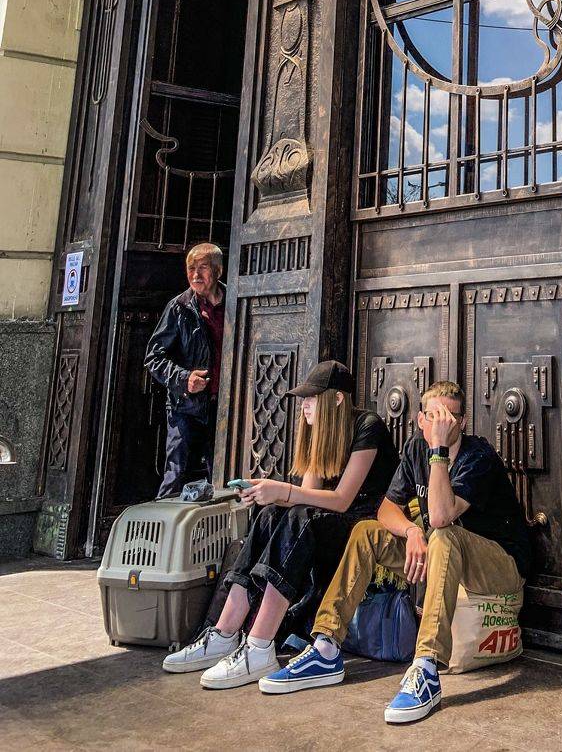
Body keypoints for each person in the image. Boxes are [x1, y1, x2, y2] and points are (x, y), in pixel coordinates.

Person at [258, 379, 532, 724]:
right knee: (367, 532)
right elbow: (387, 509)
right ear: (420, 420)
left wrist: (438, 450)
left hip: (499, 565)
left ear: (462, 422)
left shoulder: (478, 456)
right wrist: (412, 530)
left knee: (443, 535)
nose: (442, 423)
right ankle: (326, 647)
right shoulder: (416, 448)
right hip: (442, 556)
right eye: (434, 416)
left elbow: (442, 516)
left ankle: (426, 666)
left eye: (450, 417)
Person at [161, 359, 396, 688]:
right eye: (304, 399)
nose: (305, 405)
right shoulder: (320, 431)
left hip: (366, 525)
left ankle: (259, 645)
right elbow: (308, 496)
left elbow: (342, 500)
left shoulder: (368, 426)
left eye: (311, 398)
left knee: (297, 516)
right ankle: (224, 633)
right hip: (328, 522)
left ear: (337, 399)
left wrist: (282, 490)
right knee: (271, 514)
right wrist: (265, 493)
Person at [144, 243, 226, 499]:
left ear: (218, 271)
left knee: (222, 474)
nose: (195, 275)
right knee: (175, 474)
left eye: (203, 268)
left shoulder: (235, 301)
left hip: (224, 405)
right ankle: (162, 522)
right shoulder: (178, 307)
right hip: (185, 405)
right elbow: (154, 357)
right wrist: (184, 378)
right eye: (191, 268)